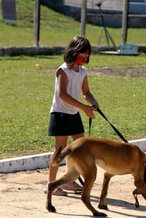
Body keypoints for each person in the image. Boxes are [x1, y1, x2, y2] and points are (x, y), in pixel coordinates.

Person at [46, 36, 99, 196]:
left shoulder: (83, 71)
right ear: (73, 52)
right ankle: (51, 185)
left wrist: (93, 102)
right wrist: (84, 108)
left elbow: (86, 92)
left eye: (87, 55)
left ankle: (69, 180)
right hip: (60, 114)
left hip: (73, 114)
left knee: (81, 149)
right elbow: (63, 95)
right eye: (82, 54)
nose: (84, 58)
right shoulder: (63, 70)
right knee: (60, 150)